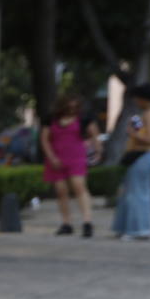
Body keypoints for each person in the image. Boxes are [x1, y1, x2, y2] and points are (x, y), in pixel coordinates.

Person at [40, 95, 100, 237]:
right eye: (69, 106)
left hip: (76, 157)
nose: (72, 108)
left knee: (79, 186)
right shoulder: (51, 119)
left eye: (75, 106)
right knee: (61, 191)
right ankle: (66, 223)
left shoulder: (84, 118)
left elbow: (95, 135)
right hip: (56, 158)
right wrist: (51, 157)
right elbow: (44, 140)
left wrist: (95, 148)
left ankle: (87, 222)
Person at [111, 83, 150, 240]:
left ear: (143, 98)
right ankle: (132, 227)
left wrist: (132, 133)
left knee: (136, 193)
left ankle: (137, 229)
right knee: (137, 192)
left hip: (144, 154)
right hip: (146, 155)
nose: (136, 101)